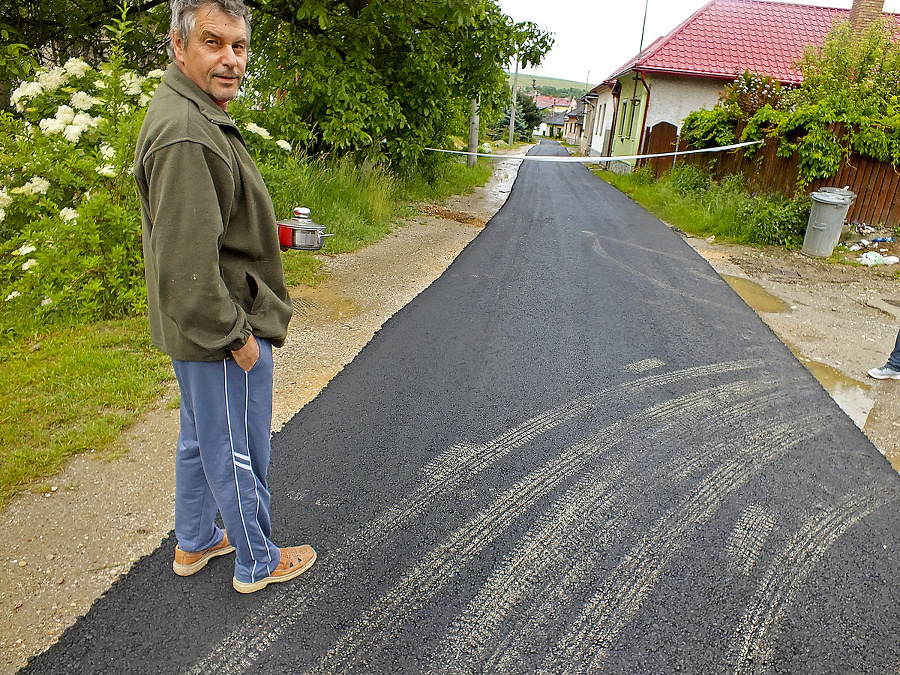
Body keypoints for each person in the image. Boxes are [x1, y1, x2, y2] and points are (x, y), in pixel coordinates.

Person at [134, 0, 315, 593]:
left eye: (238, 46)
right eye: (214, 43)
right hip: (218, 331)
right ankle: (256, 559)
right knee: (236, 446)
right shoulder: (189, 134)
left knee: (200, 435)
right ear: (178, 46)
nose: (230, 59)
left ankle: (195, 541)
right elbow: (186, 265)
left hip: (196, 333)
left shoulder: (192, 113)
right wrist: (236, 339)